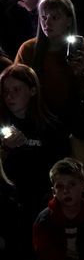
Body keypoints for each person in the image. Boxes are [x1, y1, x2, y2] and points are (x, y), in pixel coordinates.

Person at [14, 0, 84, 124]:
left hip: (75, 117)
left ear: (69, 21)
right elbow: (17, 86)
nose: (47, 23)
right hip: (36, 117)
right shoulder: (28, 49)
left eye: (55, 17)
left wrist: (80, 73)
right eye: (43, 17)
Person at [0, 64, 66, 213]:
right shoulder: (1, 124)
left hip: (44, 204)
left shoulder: (52, 127)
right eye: (6, 91)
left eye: (16, 90)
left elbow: (61, 165)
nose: (9, 96)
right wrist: (5, 149)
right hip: (8, 204)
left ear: (32, 90)